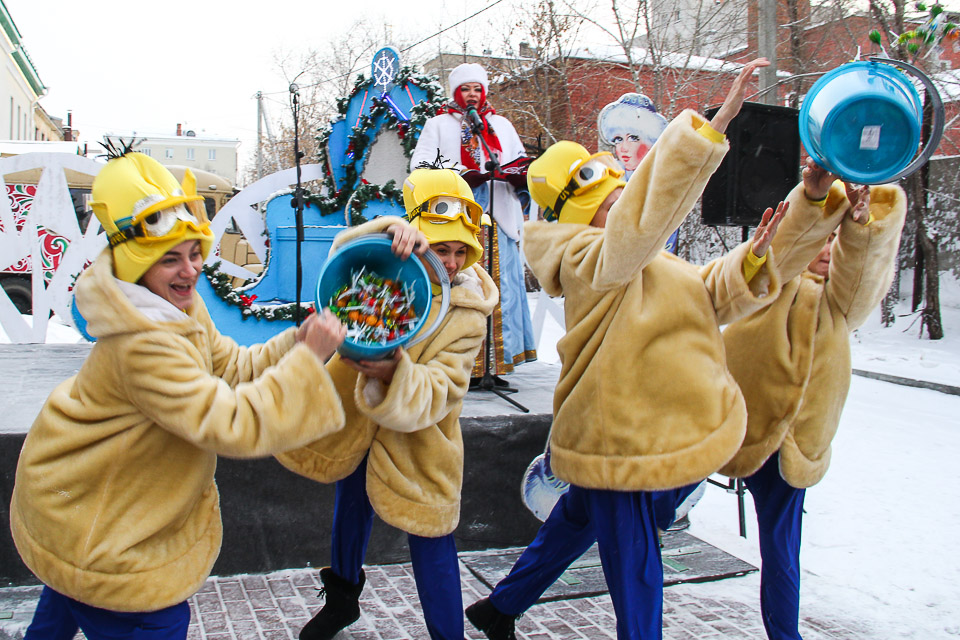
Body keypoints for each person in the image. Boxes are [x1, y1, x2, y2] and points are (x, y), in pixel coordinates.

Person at [466, 58, 785, 640]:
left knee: (574, 522)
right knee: (637, 569)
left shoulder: (645, 257)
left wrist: (758, 254)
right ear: (579, 213)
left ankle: (499, 608)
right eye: (610, 199)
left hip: (638, 428)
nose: (624, 202)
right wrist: (712, 128)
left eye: (622, 194)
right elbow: (640, 224)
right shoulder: (585, 259)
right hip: (617, 437)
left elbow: (710, 294)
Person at [9, 150, 348, 640]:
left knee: (64, 599)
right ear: (136, 266)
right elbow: (230, 424)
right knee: (158, 622)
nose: (190, 271)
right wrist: (306, 361)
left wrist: (297, 343)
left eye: (193, 253)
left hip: (92, 505)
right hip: (98, 520)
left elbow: (230, 367)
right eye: (169, 259)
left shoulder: (177, 308)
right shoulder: (142, 343)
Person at [276, 168, 499, 640]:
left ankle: (448, 634)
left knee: (431, 533)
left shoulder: (469, 314)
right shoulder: (387, 263)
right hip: (357, 419)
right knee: (350, 509)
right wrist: (384, 231)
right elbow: (341, 262)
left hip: (419, 439)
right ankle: (341, 601)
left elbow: (445, 387)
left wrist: (397, 376)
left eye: (460, 251)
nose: (451, 262)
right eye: (441, 248)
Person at [718, 158, 907, 640]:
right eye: (823, 238)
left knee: (782, 551)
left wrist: (861, 227)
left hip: (793, 441)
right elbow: (777, 252)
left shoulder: (839, 301)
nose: (827, 250)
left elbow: (861, 282)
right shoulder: (771, 275)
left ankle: (786, 635)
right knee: (654, 508)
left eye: (837, 241)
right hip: (730, 423)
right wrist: (813, 202)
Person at [410, 62, 536, 374]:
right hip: (456, 221)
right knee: (464, 285)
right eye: (465, 89)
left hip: (500, 217)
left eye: (477, 89)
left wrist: (518, 176)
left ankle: (497, 366)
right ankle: (464, 364)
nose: (471, 95)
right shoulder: (438, 125)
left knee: (503, 290)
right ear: (455, 92)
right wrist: (460, 175)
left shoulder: (501, 126)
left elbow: (520, 163)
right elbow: (420, 166)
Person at [597, 92, 668, 179]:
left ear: (651, 142)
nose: (624, 148)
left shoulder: (663, 178)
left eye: (633, 138)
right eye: (618, 139)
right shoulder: (610, 177)